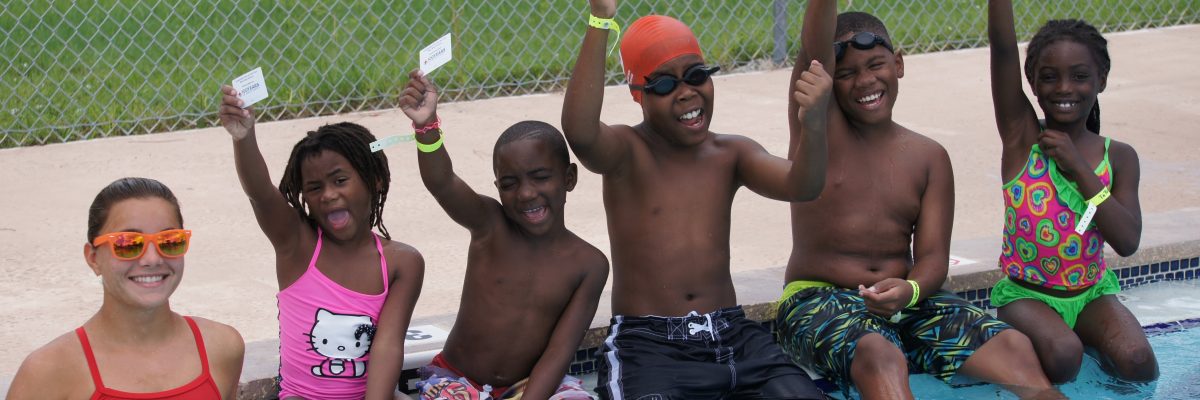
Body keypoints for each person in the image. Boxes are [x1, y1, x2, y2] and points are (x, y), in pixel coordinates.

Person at [773, 2, 1061, 399]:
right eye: (846, 74)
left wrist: (908, 292)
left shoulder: (928, 157)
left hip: (908, 301)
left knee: (1014, 347)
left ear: (899, 63)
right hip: (817, 299)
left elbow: (932, 258)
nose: (864, 81)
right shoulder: (819, 129)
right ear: (826, 82)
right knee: (880, 354)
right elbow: (814, 46)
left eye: (876, 65)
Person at [562, 0, 830, 398]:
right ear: (638, 93)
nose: (686, 92)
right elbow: (580, 131)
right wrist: (600, 19)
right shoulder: (627, 152)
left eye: (697, 75)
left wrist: (814, 125)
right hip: (648, 345)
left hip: (733, 334)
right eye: (665, 84)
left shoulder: (731, 154)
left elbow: (803, 185)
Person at [387, 70, 607, 400]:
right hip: (455, 380)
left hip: (527, 388)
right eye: (509, 184)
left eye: (540, 177)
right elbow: (442, 182)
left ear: (569, 178)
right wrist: (426, 127)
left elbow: (558, 355)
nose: (526, 193)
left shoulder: (589, 265)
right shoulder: (490, 224)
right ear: (497, 189)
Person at [987, 0, 1158, 383]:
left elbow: (1127, 240)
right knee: (1064, 353)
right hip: (1025, 296)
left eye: (1079, 76)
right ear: (1031, 83)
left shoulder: (1119, 157)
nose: (1065, 88)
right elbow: (1001, 50)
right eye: (1049, 77)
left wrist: (1079, 168)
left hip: (1090, 294)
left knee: (1138, 361)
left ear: (1102, 79)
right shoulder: (1022, 138)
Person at [218, 86, 425, 399]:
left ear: (375, 179)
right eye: (314, 188)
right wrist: (243, 137)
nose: (328, 195)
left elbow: (387, 345)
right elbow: (260, 192)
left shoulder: (402, 262)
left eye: (340, 180)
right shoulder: (296, 245)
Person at [7, 177, 245, 400]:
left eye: (169, 241)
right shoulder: (48, 372)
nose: (152, 259)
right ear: (93, 258)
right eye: (128, 244)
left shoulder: (222, 348)